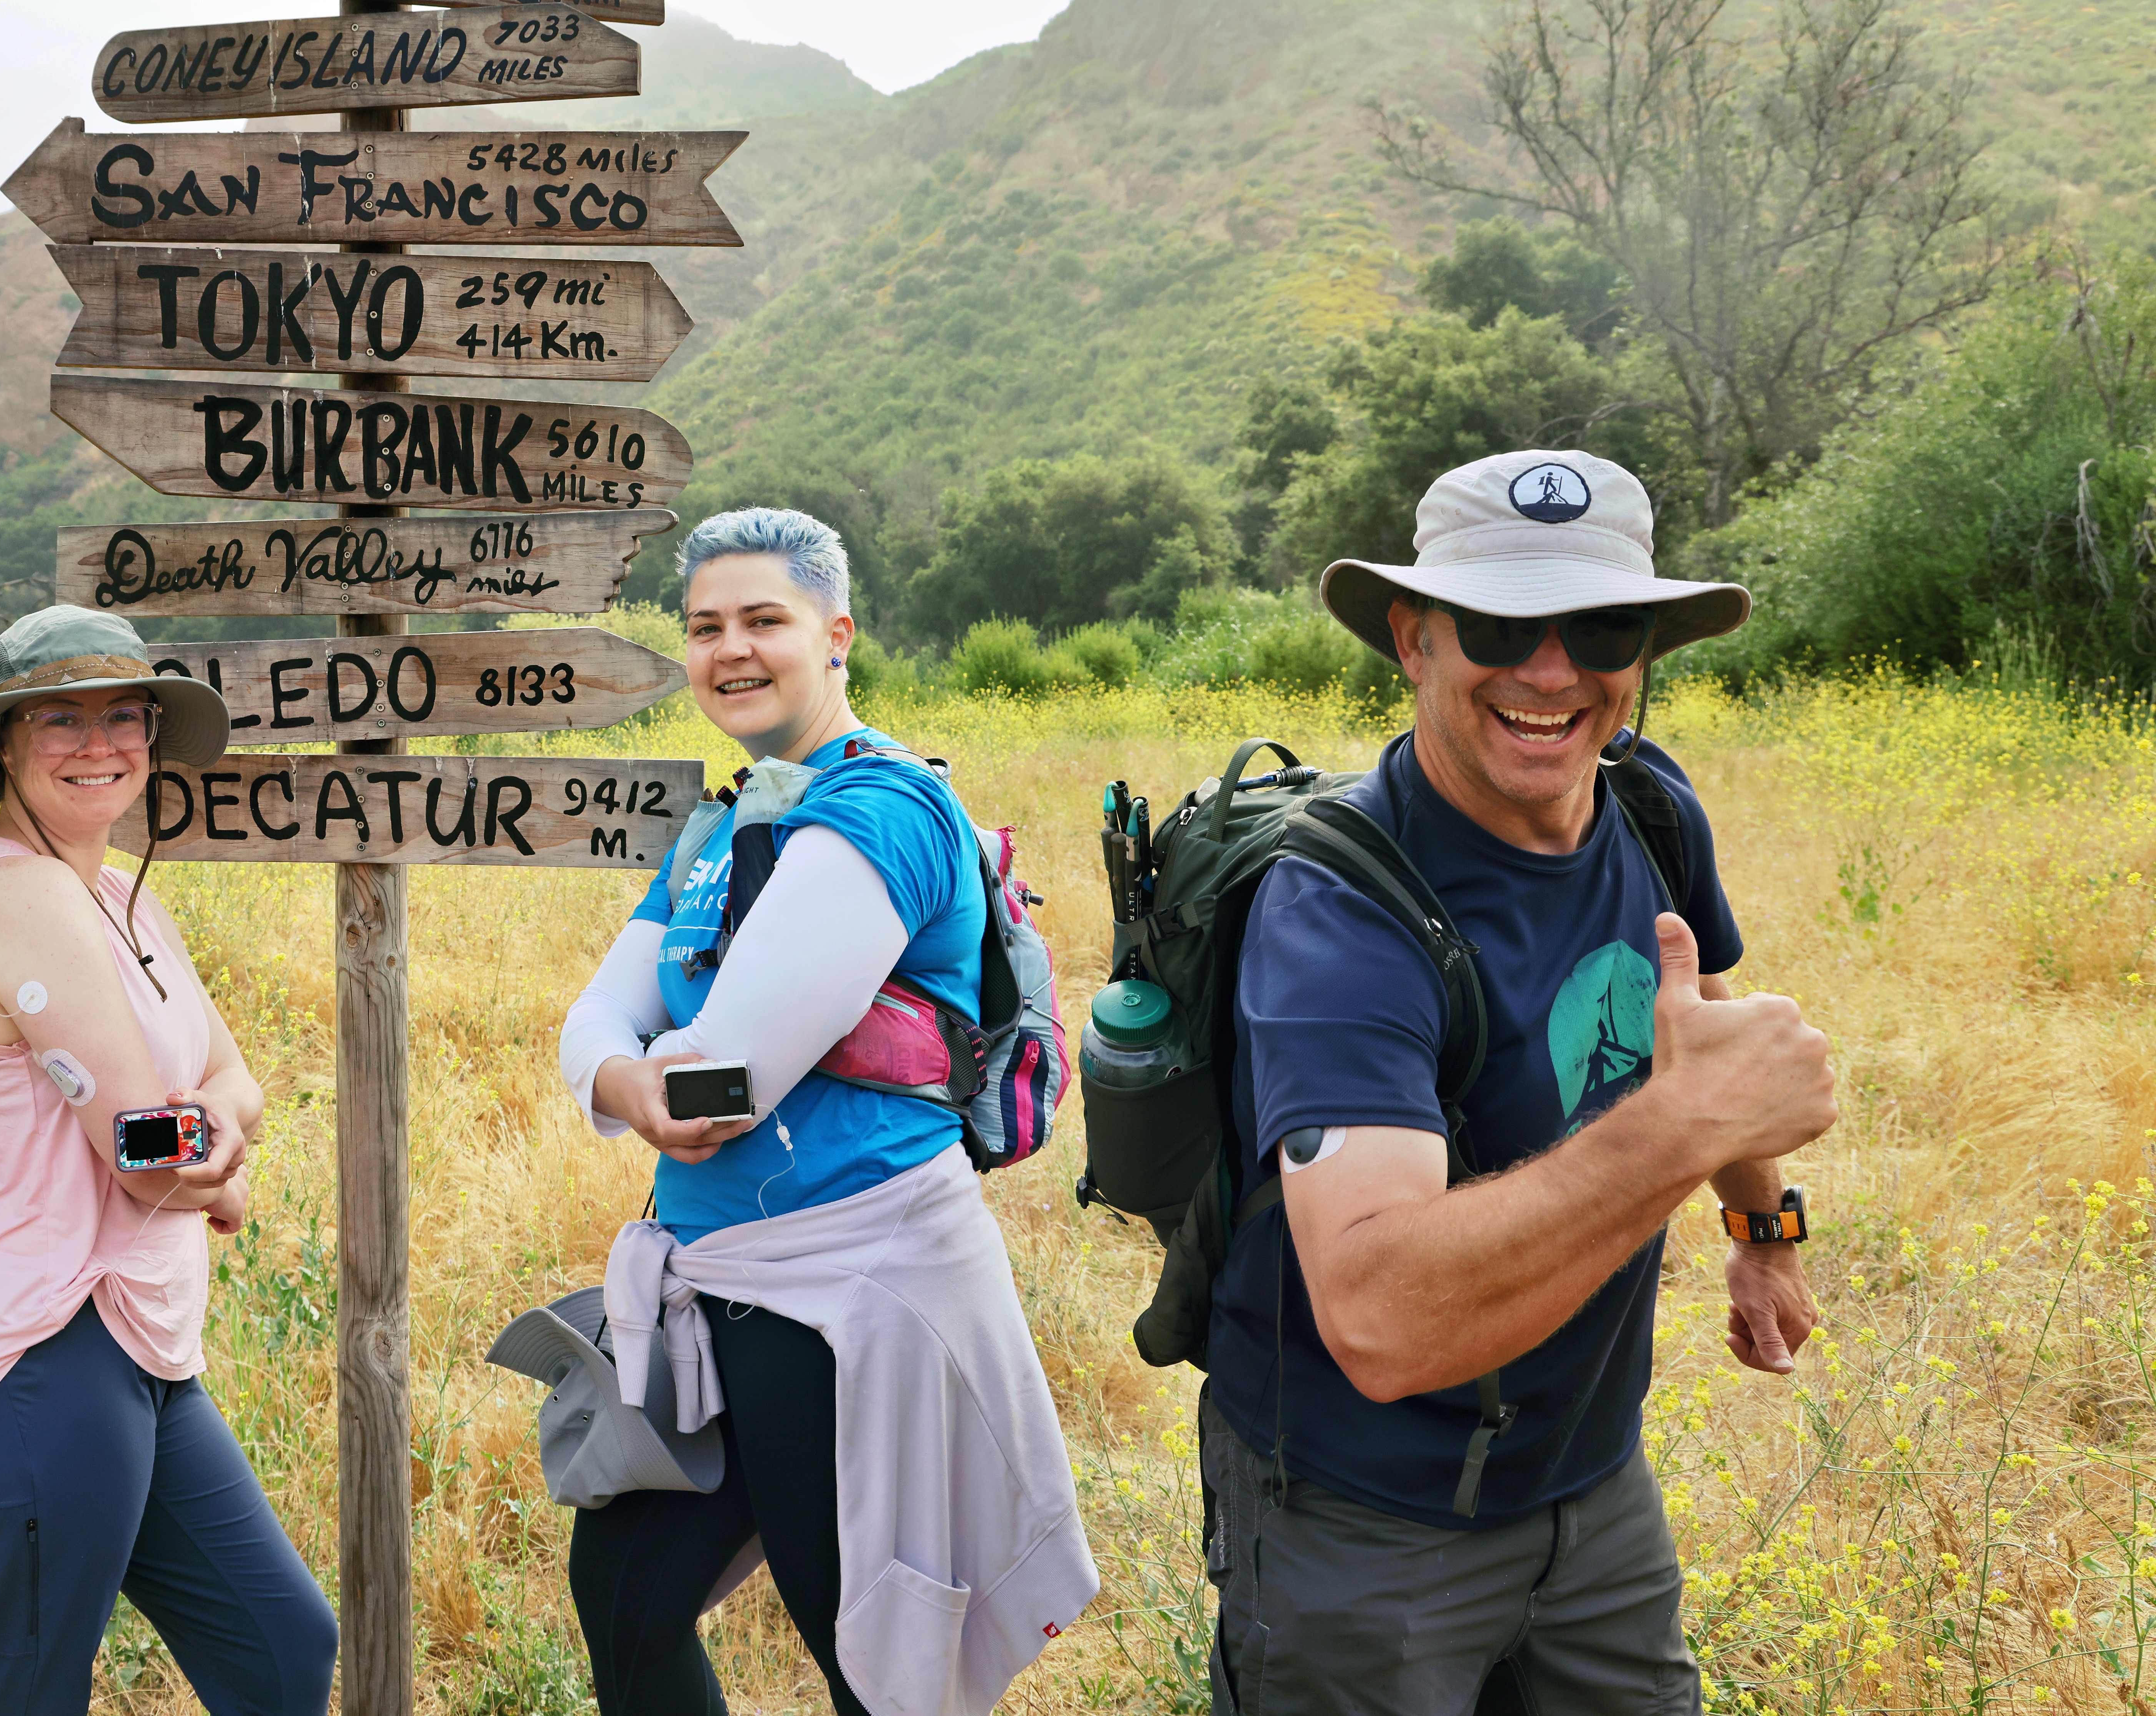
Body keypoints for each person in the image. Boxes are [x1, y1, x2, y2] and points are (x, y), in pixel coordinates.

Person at [1201, 449, 1837, 1713]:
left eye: (1599, 626)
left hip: (1593, 1484)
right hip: (1364, 1520)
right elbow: (1383, 1325)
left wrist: (1765, 1229)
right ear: (1413, 638)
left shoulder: (1650, 811)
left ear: (1643, 651)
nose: (1551, 671)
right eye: (1500, 623)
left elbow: (1696, 1023)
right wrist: (1679, 1135)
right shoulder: (1339, 913)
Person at [555, 508, 1095, 1716]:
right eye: (705, 627)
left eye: (764, 620)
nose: (731, 650)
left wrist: (639, 1075)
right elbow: (590, 1024)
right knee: (628, 1606)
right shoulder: (723, 821)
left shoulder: (881, 810)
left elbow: (728, 1078)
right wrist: (625, 1076)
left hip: (844, 1293)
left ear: (836, 634)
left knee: (867, 1659)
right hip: (714, 1284)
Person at [0, 604, 335, 1716]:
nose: (101, 744)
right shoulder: (19, 897)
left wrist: (209, 1150)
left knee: (282, 1647)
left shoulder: (118, 894)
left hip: (134, 1352)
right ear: (5, 747)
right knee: (29, 1698)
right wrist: (214, 1167)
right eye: (60, 719)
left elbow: (235, 1084)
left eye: (124, 716)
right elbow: (146, 1155)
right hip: (38, 1360)